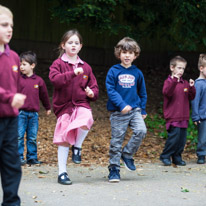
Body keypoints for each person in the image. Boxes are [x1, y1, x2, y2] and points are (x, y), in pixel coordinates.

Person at [49, 29, 99, 185]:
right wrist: (72, 73)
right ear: (63, 45)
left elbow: (95, 87)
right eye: (70, 42)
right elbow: (55, 80)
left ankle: (77, 147)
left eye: (76, 43)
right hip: (63, 107)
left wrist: (92, 93)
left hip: (81, 103)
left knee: (87, 118)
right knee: (64, 139)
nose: (73, 45)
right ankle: (62, 173)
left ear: (81, 46)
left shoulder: (86, 67)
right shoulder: (58, 64)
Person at [105, 37, 147, 183]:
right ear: (119, 54)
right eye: (124, 52)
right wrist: (122, 105)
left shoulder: (138, 73)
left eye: (130, 53)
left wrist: (143, 110)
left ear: (135, 55)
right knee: (117, 141)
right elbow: (110, 90)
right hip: (118, 112)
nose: (127, 55)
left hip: (135, 110)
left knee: (141, 131)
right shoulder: (113, 71)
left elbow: (142, 93)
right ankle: (114, 169)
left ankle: (127, 154)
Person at [0, 5, 26, 206]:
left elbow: (16, 86)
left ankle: (11, 203)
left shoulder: (14, 57)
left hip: (10, 119)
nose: (9, 29)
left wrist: (15, 101)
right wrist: (9, 97)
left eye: (11, 26)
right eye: (4, 25)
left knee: (12, 165)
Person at [160, 56, 196, 166]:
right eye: (179, 68)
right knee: (173, 138)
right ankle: (165, 156)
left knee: (181, 140)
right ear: (172, 67)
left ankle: (177, 157)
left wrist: (191, 88)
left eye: (183, 69)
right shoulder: (169, 82)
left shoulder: (185, 83)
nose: (181, 71)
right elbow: (167, 93)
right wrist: (175, 80)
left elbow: (191, 97)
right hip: (173, 116)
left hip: (183, 116)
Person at [18, 51, 51, 165]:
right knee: (19, 136)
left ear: (32, 65)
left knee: (32, 137)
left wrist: (47, 107)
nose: (21, 67)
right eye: (20, 64)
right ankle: (19, 158)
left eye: (24, 64)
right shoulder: (18, 80)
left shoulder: (39, 81)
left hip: (33, 115)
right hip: (20, 113)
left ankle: (32, 157)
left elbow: (44, 95)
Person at [191, 54, 206, 164]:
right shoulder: (199, 84)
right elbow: (194, 101)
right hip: (203, 116)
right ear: (201, 68)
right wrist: (195, 116)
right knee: (203, 138)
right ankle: (201, 155)